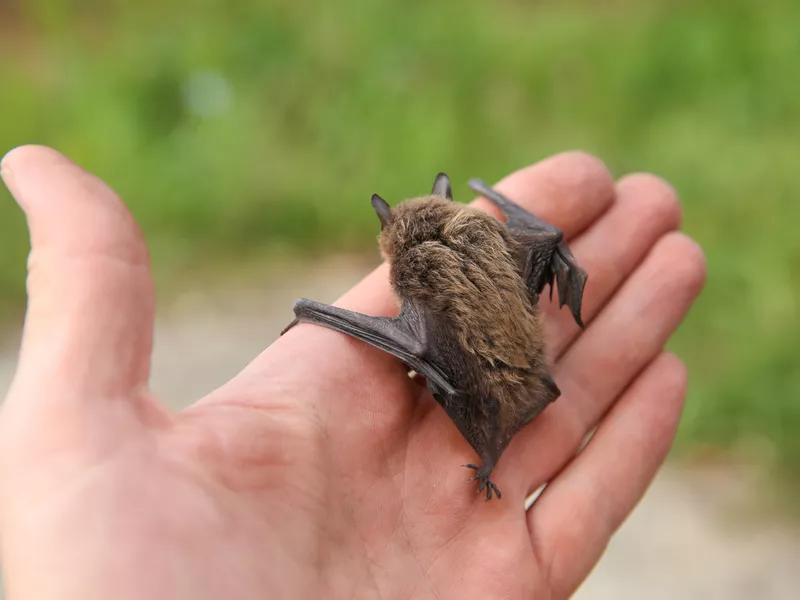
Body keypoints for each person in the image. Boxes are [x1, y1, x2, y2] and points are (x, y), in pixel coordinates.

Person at [0, 145, 705, 599]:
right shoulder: (507, 235)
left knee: (420, 348)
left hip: (487, 384)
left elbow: (429, 336)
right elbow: (518, 253)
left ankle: (482, 434)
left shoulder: (414, 273)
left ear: (391, 249)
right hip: (529, 378)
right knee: (463, 325)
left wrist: (337, 319)